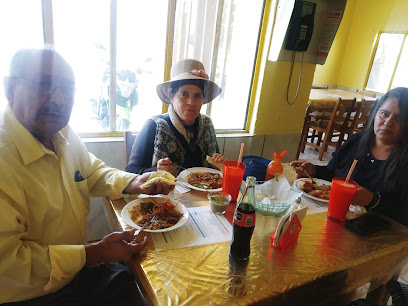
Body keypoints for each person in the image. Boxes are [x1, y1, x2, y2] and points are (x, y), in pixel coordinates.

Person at [0, 48, 173, 305]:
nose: (59, 98)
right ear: (11, 88)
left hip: (75, 271)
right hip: (32, 294)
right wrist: (95, 254)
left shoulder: (62, 133)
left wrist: (133, 182)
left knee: (136, 279)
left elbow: (90, 172)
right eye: (44, 85)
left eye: (67, 89)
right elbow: (8, 264)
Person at [290, 87, 408, 226]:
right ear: (376, 114)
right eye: (384, 113)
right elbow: (331, 173)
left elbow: (402, 215)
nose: (388, 122)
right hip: (328, 219)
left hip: (372, 236)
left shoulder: (404, 163)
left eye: (399, 118)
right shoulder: (356, 142)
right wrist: (314, 171)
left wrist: (373, 201)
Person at [126, 59, 225, 175]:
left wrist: (217, 165)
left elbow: (213, 168)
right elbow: (130, 171)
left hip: (203, 192)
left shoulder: (207, 124)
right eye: (184, 94)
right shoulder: (154, 125)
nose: (191, 102)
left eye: (197, 96)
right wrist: (156, 171)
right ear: (171, 96)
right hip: (163, 192)